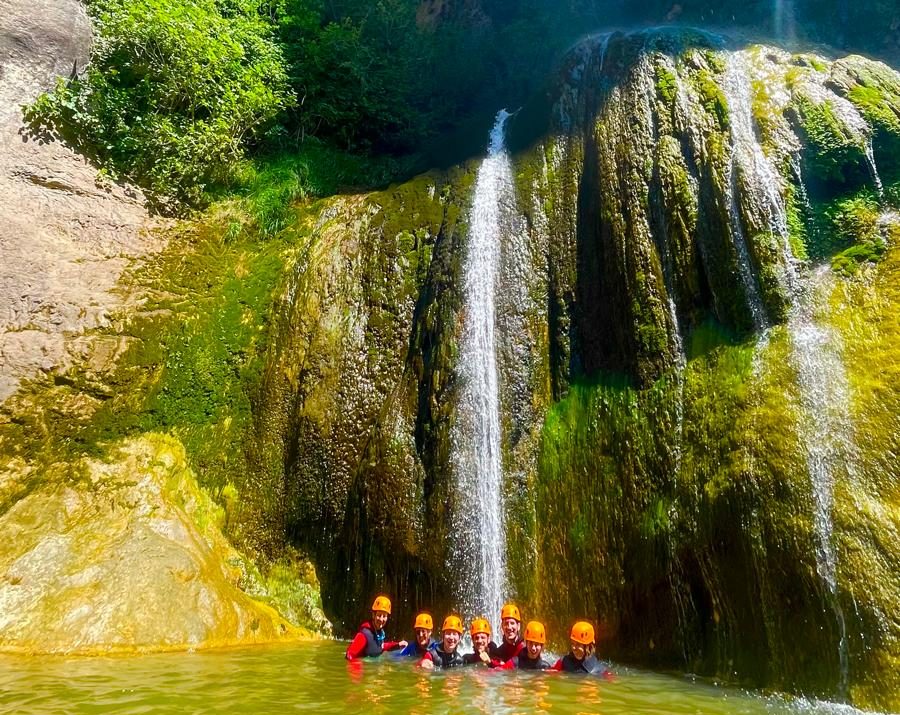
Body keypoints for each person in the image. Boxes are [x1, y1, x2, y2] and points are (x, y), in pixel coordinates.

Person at [345, 595, 408, 660]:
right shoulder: (364, 634)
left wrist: (397, 645)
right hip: (366, 665)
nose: (381, 619)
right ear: (373, 615)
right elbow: (349, 655)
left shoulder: (379, 632)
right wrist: (359, 665)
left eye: (384, 616)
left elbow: (381, 646)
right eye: (379, 615)